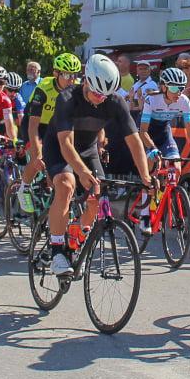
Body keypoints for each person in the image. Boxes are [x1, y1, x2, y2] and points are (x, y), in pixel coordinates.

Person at [42, 54, 153, 277]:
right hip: (59, 147)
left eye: (106, 95)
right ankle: (56, 252)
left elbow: (134, 141)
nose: (100, 98)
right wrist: (81, 171)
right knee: (66, 184)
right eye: (96, 92)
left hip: (88, 149)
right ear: (86, 82)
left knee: (97, 197)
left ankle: (76, 241)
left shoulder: (115, 102)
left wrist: (146, 177)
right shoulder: (67, 98)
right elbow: (65, 143)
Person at [18, 53, 81, 212]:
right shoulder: (43, 88)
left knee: (57, 164)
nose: (71, 80)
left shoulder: (77, 88)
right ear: (56, 73)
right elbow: (33, 126)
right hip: (36, 124)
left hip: (56, 126)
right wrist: (37, 152)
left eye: (74, 75)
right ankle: (23, 187)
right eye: (67, 75)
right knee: (37, 157)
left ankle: (51, 194)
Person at [139, 67, 190, 166]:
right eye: (174, 88)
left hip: (164, 135)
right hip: (147, 135)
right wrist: (152, 148)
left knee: (176, 166)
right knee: (155, 163)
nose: (178, 93)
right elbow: (143, 131)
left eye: (181, 88)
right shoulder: (151, 99)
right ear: (164, 87)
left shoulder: (184, 101)